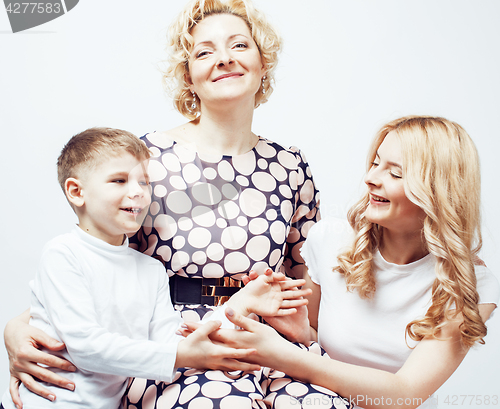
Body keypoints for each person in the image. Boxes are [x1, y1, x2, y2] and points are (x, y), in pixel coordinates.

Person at [3, 1, 349, 408]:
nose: (224, 59)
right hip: (180, 342)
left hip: (270, 338)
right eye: (204, 52)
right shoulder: (148, 158)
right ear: (189, 76)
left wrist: (305, 337)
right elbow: (98, 258)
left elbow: (304, 274)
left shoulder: (290, 166)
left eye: (239, 45)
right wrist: (18, 325)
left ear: (262, 62)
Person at [199, 116, 500, 409]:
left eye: (395, 173)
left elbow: (403, 396)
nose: (371, 178)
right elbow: (321, 344)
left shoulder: (472, 285)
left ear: (438, 192)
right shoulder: (330, 240)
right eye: (375, 163)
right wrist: (303, 334)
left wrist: (281, 354)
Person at [1, 127, 303, 409]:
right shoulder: (62, 254)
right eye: (119, 180)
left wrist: (243, 302)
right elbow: (86, 347)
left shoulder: (150, 270)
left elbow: (172, 341)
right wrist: (179, 354)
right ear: (77, 192)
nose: (139, 192)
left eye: (144, 182)